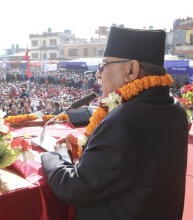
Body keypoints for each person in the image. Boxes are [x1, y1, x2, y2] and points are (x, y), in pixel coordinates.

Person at [41, 27, 188, 220]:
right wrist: (89, 149)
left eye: (103, 66)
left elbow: (75, 188)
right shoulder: (175, 109)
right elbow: (130, 163)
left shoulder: (122, 121)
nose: (97, 75)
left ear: (131, 70)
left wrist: (56, 154)